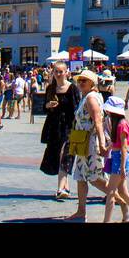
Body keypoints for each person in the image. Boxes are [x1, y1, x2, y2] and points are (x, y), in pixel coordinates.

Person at [65, 68, 110, 222]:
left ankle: (119, 197)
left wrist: (101, 143)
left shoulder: (91, 97)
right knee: (80, 176)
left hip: (90, 142)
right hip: (81, 142)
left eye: (84, 80)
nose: (80, 82)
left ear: (92, 83)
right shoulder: (87, 96)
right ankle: (81, 211)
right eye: (79, 80)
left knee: (93, 177)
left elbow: (98, 121)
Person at [100, 97, 129, 223]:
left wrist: (121, 167)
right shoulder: (116, 123)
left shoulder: (122, 124)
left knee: (110, 192)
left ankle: (106, 221)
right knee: (123, 192)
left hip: (120, 158)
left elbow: (124, 147)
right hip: (117, 157)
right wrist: (107, 149)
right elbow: (116, 143)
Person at [40, 61, 79, 200]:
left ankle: (60, 188)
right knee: (59, 155)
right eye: (56, 71)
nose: (58, 74)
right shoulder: (50, 88)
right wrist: (48, 105)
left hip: (68, 126)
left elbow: (77, 108)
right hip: (54, 126)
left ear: (66, 72)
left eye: (61, 71)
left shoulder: (72, 88)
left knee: (65, 154)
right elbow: (44, 108)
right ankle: (66, 188)